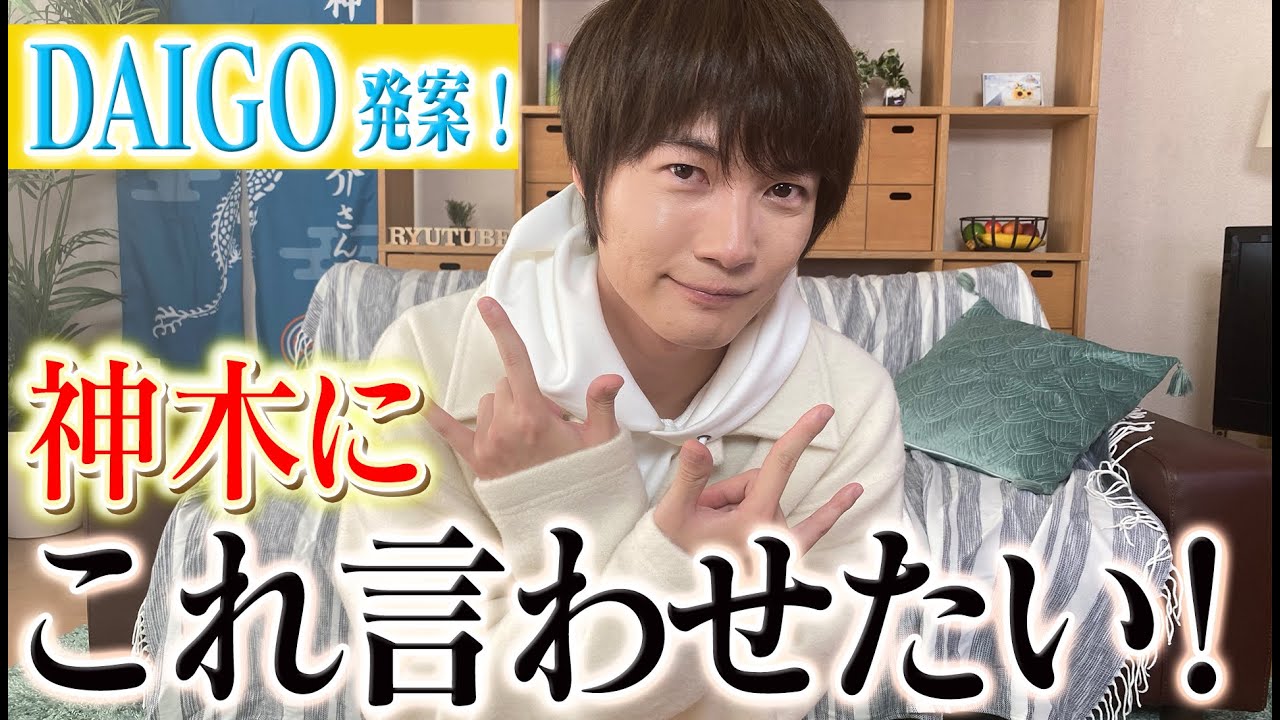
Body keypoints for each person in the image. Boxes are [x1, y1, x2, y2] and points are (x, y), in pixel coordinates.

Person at [334, 1, 906, 717]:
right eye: (686, 171)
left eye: (783, 189)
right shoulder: (433, 363)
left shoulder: (846, 408)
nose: (732, 246)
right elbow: (423, 692)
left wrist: (577, 527)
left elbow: (767, 700)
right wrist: (686, 586)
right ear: (585, 170)